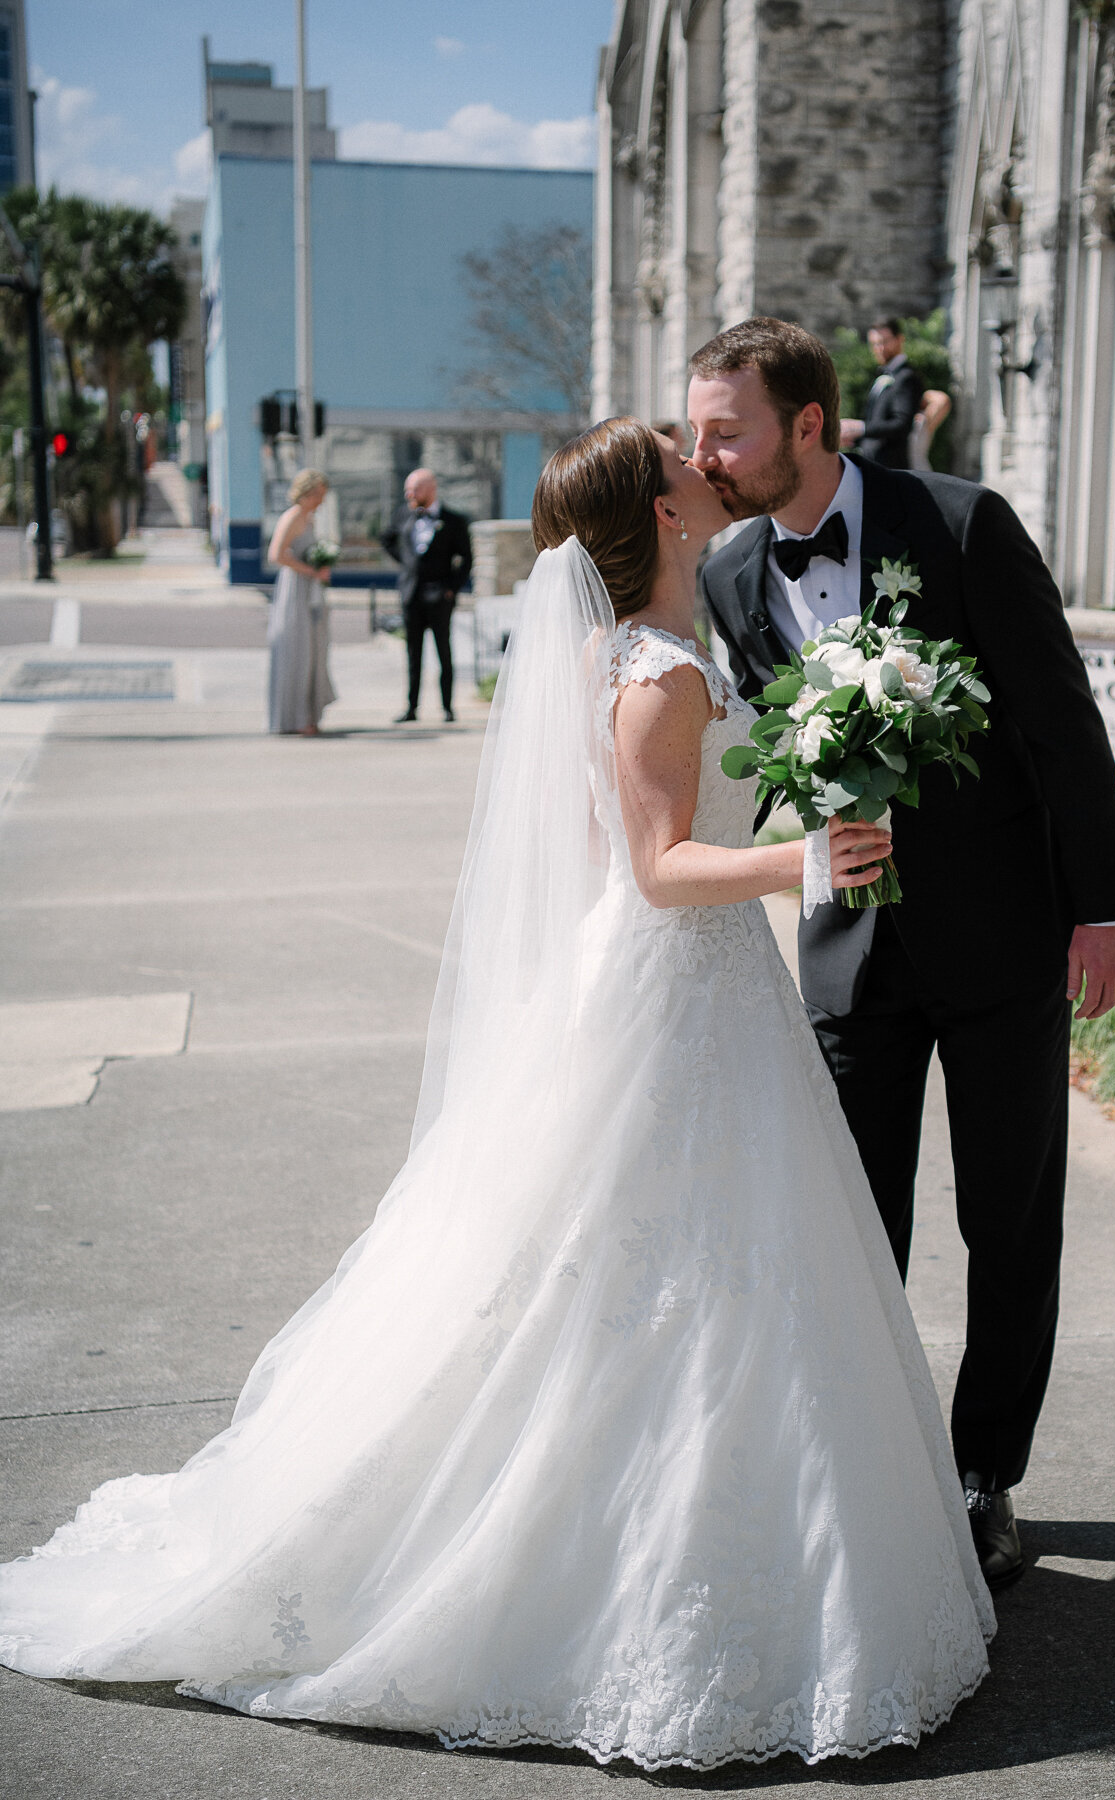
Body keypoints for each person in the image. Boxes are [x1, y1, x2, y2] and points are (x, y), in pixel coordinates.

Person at [0, 418, 993, 1770]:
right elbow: (654, 868)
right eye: (680, 456)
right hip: (670, 981)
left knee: (688, 1276)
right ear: (665, 505)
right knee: (642, 1278)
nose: (707, 461)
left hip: (691, 995)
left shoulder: (640, 649)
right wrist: (802, 861)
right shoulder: (659, 673)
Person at [691, 318, 1115, 1590]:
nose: (705, 452)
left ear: (810, 427)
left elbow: (1058, 714)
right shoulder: (731, 575)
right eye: (697, 430)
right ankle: (860, 1464)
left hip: (1004, 939)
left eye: (727, 430)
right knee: (850, 1225)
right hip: (849, 956)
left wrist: (1103, 907)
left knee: (1007, 1224)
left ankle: (982, 1473)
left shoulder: (960, 525)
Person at [380, 468, 472, 724]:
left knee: (444, 652)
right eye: (408, 490)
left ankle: (447, 707)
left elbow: (467, 559)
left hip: (440, 596)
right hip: (411, 595)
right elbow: (386, 539)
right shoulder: (403, 515)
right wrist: (407, 565)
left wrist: (452, 587)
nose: (410, 494)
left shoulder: (454, 520)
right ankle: (411, 708)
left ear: (431, 489)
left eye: (415, 489)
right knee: (413, 654)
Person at [266, 468, 336, 736]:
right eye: (318, 494)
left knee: (312, 651)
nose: (321, 500)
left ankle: (307, 714)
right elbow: (276, 555)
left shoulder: (310, 519)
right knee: (296, 651)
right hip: (294, 591)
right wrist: (311, 571)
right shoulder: (293, 516)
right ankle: (293, 718)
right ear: (306, 493)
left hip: (309, 591)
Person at [839, 318, 951, 471]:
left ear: (900, 340)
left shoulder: (907, 377)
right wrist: (855, 437)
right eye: (875, 343)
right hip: (874, 466)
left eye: (885, 341)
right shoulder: (883, 376)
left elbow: (901, 424)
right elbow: (880, 427)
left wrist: (860, 428)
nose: (880, 348)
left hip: (893, 470)